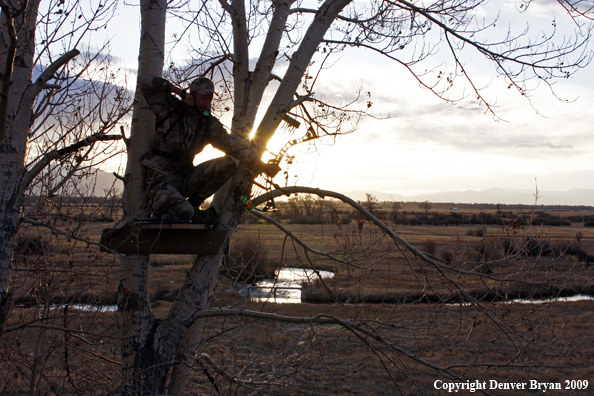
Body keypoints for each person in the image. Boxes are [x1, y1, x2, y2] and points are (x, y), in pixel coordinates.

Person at [138, 74, 279, 221]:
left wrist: (261, 164)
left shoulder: (208, 123)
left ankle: (193, 205)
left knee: (227, 164)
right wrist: (179, 92)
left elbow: (231, 145)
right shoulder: (170, 107)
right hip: (160, 178)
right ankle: (179, 209)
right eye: (203, 99)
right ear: (192, 96)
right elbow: (144, 81)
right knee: (184, 213)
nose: (207, 104)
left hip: (184, 177)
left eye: (210, 100)